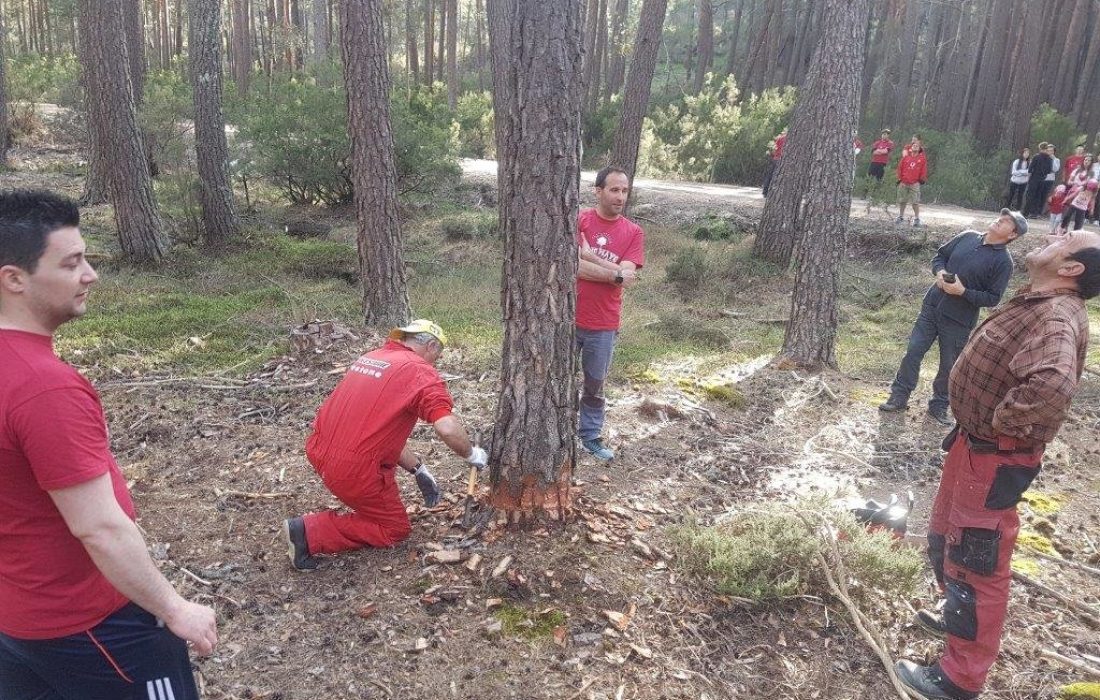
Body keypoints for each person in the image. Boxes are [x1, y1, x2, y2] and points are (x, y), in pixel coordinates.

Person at [0, 190, 217, 699]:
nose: (90, 274)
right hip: (93, 626)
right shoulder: (41, 386)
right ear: (13, 278)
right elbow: (98, 526)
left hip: (16, 620)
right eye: (72, 262)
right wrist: (173, 608)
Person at [896, 228, 1100, 700]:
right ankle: (954, 616)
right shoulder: (1041, 301)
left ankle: (959, 679)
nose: (1057, 233)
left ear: (1071, 270)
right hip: (974, 449)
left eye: (1068, 239)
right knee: (946, 537)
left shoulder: (1056, 316)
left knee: (976, 565)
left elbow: (1051, 386)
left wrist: (998, 424)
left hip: (993, 457)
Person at [283, 320, 488, 571]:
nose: (437, 361)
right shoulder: (420, 372)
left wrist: (418, 470)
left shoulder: (373, 357)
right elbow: (446, 427)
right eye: (439, 355)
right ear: (432, 345)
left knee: (371, 496)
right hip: (354, 468)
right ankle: (308, 533)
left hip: (320, 449)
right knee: (393, 529)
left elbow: (376, 429)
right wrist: (471, 454)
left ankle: (315, 526)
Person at [880, 209, 1025, 425]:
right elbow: (940, 256)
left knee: (948, 365)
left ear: (1012, 235)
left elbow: (993, 298)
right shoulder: (967, 236)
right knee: (913, 351)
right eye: (1000, 217)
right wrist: (939, 272)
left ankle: (939, 406)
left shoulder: (1004, 262)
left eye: (1005, 222)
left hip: (959, 319)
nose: (999, 220)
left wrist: (963, 292)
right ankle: (899, 397)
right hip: (932, 306)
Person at [575, 166, 645, 461]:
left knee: (595, 384)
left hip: (603, 323)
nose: (620, 196)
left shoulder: (633, 232)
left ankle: (589, 435)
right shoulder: (580, 220)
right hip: (565, 317)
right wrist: (612, 271)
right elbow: (570, 266)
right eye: (614, 190)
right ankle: (555, 433)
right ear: (599, 191)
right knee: (554, 380)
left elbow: (627, 277)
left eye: (625, 191)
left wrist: (589, 257)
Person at [896, 135, 928, 227]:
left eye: (917, 146)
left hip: (915, 183)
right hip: (904, 182)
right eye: (913, 145)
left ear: (919, 149)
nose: (914, 146)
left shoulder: (922, 159)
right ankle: (900, 216)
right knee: (902, 200)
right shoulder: (906, 158)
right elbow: (899, 168)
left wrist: (922, 179)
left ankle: (917, 218)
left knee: (915, 202)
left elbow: (924, 170)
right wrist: (899, 178)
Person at [1023, 142, 1054, 217]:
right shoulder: (1050, 159)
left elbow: (1030, 169)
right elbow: (1049, 170)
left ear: (1040, 148)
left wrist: (1028, 178)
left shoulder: (1036, 157)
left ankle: (1026, 213)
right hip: (1043, 179)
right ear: (1046, 149)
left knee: (1030, 196)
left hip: (1034, 178)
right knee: (1038, 196)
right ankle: (1035, 213)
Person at [761, 128, 787, 197]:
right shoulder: (788, 139)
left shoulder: (780, 138)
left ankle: (765, 192)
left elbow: (774, 148)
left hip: (775, 158)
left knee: (770, 175)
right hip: (782, 159)